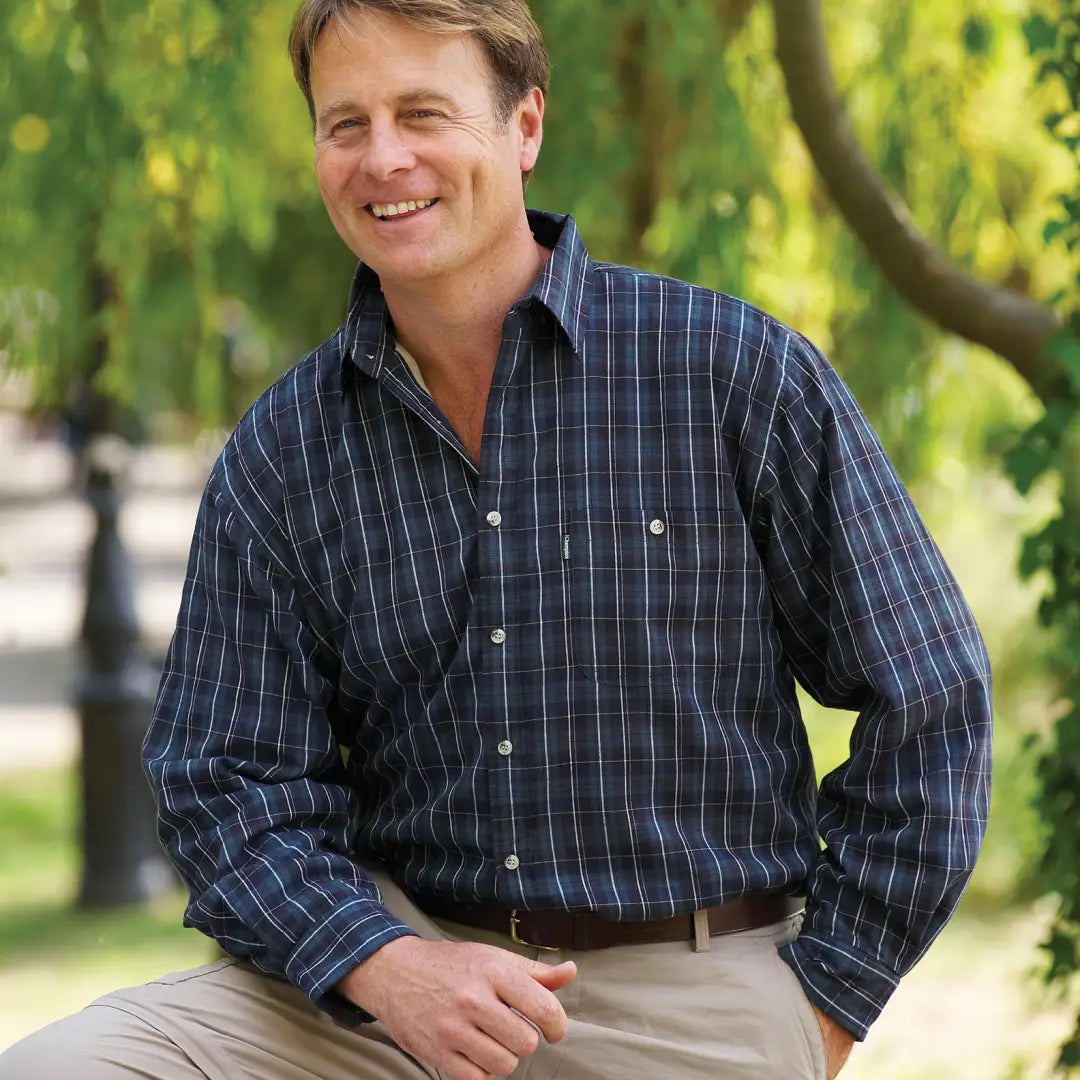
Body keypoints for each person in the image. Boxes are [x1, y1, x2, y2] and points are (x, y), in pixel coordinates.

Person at [0, 1, 992, 1078]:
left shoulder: (729, 375)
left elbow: (929, 697)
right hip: (382, 992)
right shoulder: (284, 451)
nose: (385, 158)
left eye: (424, 113)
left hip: (683, 995)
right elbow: (221, 779)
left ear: (524, 126)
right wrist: (381, 963)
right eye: (347, 123)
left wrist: (827, 1004)